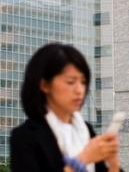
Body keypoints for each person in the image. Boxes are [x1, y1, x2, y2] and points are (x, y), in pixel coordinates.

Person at [10, 43, 121, 172]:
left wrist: (113, 163)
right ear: (45, 85)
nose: (80, 90)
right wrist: (83, 159)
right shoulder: (25, 137)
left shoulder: (86, 130)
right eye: (70, 82)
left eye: (83, 82)